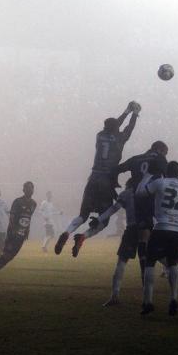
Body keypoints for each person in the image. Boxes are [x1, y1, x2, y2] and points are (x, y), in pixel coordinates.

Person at [55, 101, 141, 257]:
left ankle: (67, 232)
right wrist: (134, 114)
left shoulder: (100, 135)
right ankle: (83, 237)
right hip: (106, 180)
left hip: (94, 176)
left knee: (83, 214)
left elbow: (114, 125)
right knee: (104, 219)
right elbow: (128, 128)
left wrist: (126, 111)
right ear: (116, 128)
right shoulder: (120, 138)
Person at [136, 161, 178, 316]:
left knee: (150, 262)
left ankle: (148, 301)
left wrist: (147, 175)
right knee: (173, 263)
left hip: (161, 227)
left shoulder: (160, 182)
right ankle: (173, 299)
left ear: (166, 171)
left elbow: (139, 193)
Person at [116, 141, 169, 279]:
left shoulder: (135, 158)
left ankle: (148, 276)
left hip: (137, 202)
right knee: (152, 244)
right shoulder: (160, 158)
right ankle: (170, 268)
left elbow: (118, 169)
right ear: (159, 149)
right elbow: (167, 178)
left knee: (141, 244)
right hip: (152, 203)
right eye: (165, 153)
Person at [88, 178, 139, 306]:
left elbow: (114, 208)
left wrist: (99, 219)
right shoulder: (146, 191)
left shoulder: (126, 193)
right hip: (148, 228)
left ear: (128, 185)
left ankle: (115, 295)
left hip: (132, 229)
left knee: (121, 262)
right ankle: (175, 277)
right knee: (155, 259)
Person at [0, 182, 37, 284]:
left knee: (9, 256)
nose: (29, 190)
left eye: (31, 188)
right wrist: (14, 230)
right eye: (27, 188)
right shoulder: (17, 202)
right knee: (7, 255)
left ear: (33, 190)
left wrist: (27, 230)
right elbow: (12, 217)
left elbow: (28, 217)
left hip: (21, 235)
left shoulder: (33, 204)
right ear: (23, 190)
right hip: (13, 234)